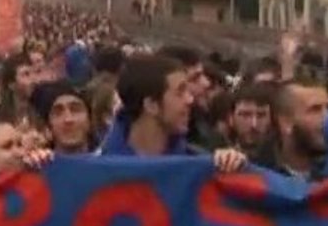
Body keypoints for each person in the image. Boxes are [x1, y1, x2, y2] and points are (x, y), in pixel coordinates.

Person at [99, 54, 245, 172]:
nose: (190, 100)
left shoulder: (199, 164)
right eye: (180, 92)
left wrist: (231, 165)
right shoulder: (97, 169)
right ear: (151, 105)